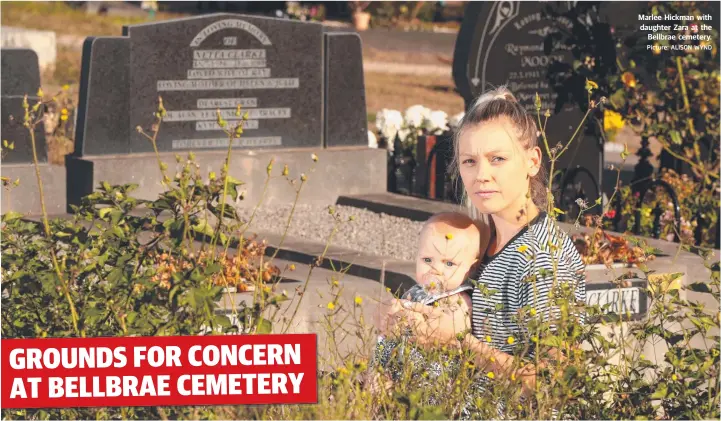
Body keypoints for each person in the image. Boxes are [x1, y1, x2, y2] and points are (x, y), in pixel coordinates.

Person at [381, 86, 587, 408]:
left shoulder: (544, 258)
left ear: (532, 161)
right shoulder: (476, 239)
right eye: (469, 161)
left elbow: (556, 385)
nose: (481, 175)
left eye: (498, 159)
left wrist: (460, 342)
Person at [370, 212, 481, 396]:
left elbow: (457, 332)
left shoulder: (459, 300)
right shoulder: (415, 292)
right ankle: (377, 378)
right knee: (384, 340)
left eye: (449, 264)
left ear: (471, 268)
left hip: (434, 379)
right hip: (402, 368)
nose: (435, 269)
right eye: (427, 260)